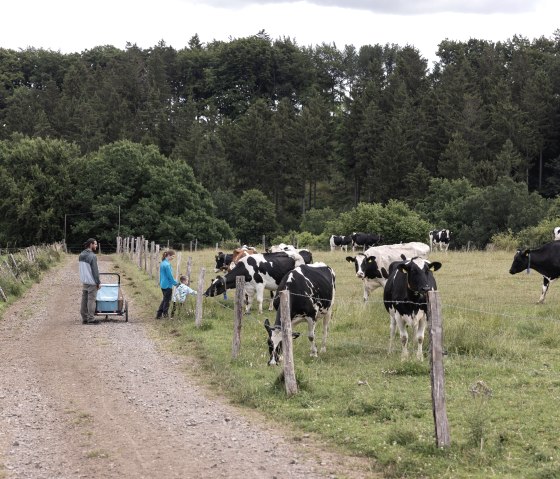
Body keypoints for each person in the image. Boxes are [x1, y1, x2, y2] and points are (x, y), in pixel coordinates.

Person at [79, 238, 101, 325]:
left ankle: (84, 318)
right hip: (92, 282)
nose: (96, 246)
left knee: (84, 300)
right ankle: (91, 319)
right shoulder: (92, 256)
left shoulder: (81, 255)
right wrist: (98, 282)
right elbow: (95, 271)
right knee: (91, 300)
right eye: (95, 244)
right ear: (91, 244)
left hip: (84, 281)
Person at [156, 250, 179, 319]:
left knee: (164, 299)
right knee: (167, 301)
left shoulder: (163, 263)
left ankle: (159, 315)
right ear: (168, 255)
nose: (173, 258)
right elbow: (170, 276)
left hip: (163, 284)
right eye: (172, 256)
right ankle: (165, 315)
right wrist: (176, 283)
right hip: (167, 285)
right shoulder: (167, 265)